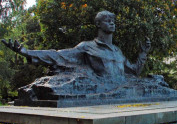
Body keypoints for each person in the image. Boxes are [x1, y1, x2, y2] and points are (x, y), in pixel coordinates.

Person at [1, 10, 151, 78]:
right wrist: (28, 52)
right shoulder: (87, 47)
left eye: (113, 21)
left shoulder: (117, 51)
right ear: (98, 24)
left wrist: (143, 53)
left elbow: (133, 72)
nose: (112, 23)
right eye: (107, 20)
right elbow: (58, 55)